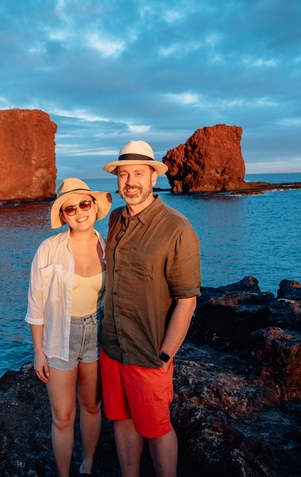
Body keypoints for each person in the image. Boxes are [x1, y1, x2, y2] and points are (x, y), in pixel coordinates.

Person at [99, 140, 201, 477]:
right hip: (113, 347)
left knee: (157, 428)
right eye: (123, 174)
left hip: (149, 353)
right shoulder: (114, 220)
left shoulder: (177, 228)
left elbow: (187, 299)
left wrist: (166, 354)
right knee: (121, 420)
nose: (130, 181)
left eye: (138, 173)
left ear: (153, 177)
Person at [26, 178, 113, 477]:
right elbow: (36, 305)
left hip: (97, 335)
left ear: (94, 207)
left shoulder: (108, 246)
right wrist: (38, 352)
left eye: (84, 204)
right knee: (63, 416)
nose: (79, 212)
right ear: (63, 215)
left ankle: (87, 465)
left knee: (91, 406)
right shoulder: (48, 250)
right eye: (70, 208)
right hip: (59, 336)